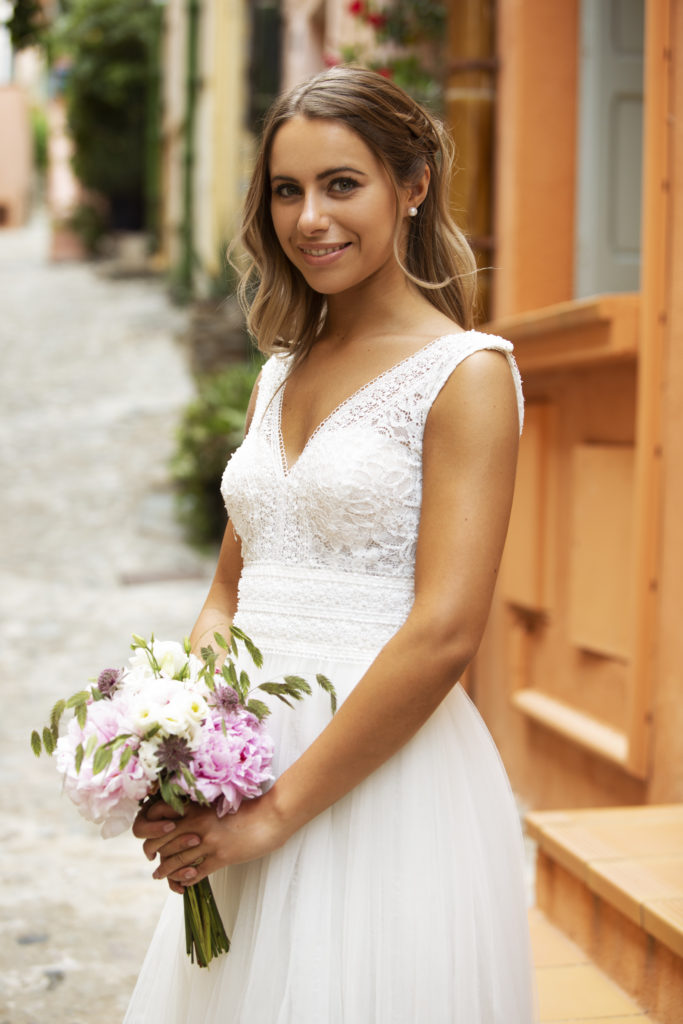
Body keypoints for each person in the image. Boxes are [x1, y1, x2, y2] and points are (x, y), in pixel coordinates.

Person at [125, 66, 536, 1023]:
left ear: (412, 184)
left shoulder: (465, 376)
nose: (309, 217)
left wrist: (275, 815)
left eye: (340, 184)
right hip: (245, 762)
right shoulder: (277, 376)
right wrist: (180, 742)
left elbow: (443, 631)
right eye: (285, 190)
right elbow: (233, 587)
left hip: (378, 780)